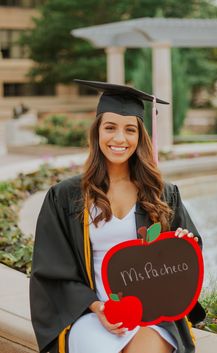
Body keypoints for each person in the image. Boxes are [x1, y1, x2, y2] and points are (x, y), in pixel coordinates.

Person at [30, 80, 205, 353]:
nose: (119, 139)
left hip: (152, 314)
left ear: (140, 136)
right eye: (110, 127)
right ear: (97, 131)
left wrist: (183, 243)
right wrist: (99, 308)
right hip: (91, 313)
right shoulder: (66, 196)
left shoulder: (161, 193)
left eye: (130, 130)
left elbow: (185, 264)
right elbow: (51, 269)